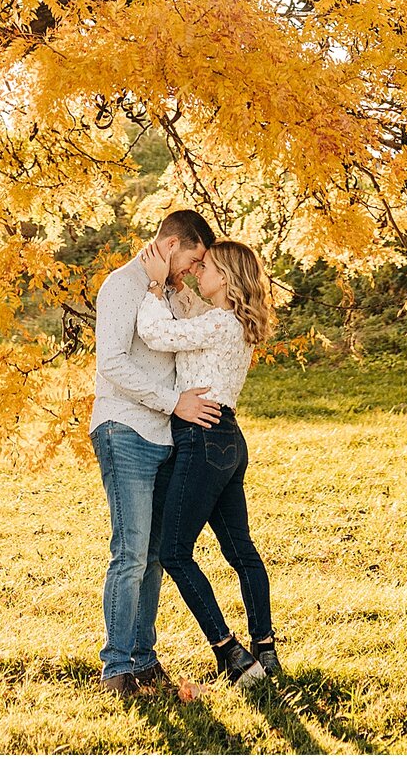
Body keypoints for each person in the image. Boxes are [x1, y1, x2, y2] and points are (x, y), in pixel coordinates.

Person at [133, 233, 281, 688]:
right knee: (241, 551)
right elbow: (190, 316)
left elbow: (156, 332)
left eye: (207, 267)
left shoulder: (219, 324)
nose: (199, 271)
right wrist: (178, 286)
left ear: (228, 278)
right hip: (227, 440)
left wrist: (156, 287)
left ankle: (230, 653)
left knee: (175, 552)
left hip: (202, 440)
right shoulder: (227, 320)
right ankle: (266, 650)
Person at [89, 207, 221, 700]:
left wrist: (178, 288)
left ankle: (143, 662)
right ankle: (117, 669)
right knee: (129, 553)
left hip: (164, 437)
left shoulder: (168, 295)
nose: (194, 268)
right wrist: (175, 403)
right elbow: (113, 364)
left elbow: (212, 321)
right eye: (193, 258)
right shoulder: (121, 286)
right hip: (125, 429)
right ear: (171, 246)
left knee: (151, 556)